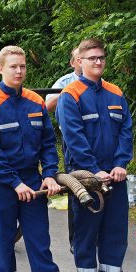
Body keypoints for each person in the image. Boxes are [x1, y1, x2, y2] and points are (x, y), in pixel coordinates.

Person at [0, 45, 84, 272]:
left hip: (33, 182)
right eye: (13, 66)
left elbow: (49, 144)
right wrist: (15, 183)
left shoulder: (36, 102)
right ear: (0, 68)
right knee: (3, 242)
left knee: (40, 243)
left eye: (22, 66)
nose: (19, 71)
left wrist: (49, 175)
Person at [55, 38, 133, 272]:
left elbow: (126, 131)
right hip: (86, 179)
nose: (98, 62)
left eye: (101, 57)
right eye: (92, 58)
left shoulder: (115, 93)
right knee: (87, 234)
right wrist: (95, 171)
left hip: (116, 176)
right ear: (79, 62)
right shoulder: (70, 96)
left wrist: (121, 164)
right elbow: (74, 139)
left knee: (115, 232)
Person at [46, 46, 83, 253]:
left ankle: (95, 237)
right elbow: (46, 105)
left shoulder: (99, 83)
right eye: (79, 58)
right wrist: (65, 95)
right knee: (74, 185)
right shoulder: (64, 82)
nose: (82, 62)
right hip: (71, 140)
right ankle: (75, 239)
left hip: (94, 140)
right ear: (73, 62)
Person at [46, 47, 82, 112]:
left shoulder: (100, 82)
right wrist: (71, 93)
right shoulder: (64, 82)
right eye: (80, 58)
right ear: (72, 63)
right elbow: (48, 105)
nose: (83, 61)